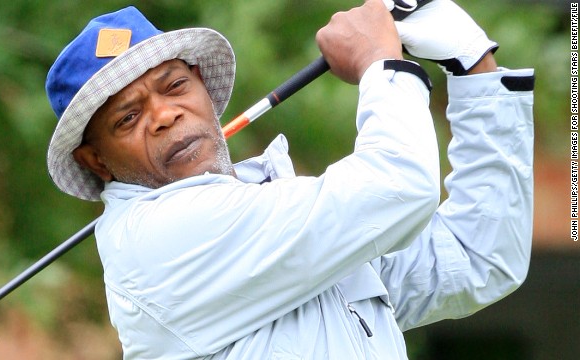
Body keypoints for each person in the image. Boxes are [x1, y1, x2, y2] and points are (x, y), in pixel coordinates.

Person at [44, 0, 534, 358]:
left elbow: (478, 258)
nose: (165, 115)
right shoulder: (159, 236)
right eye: (127, 119)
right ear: (96, 161)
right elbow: (400, 185)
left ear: (201, 85)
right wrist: (382, 63)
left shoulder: (270, 214)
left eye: (174, 86)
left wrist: (473, 65)